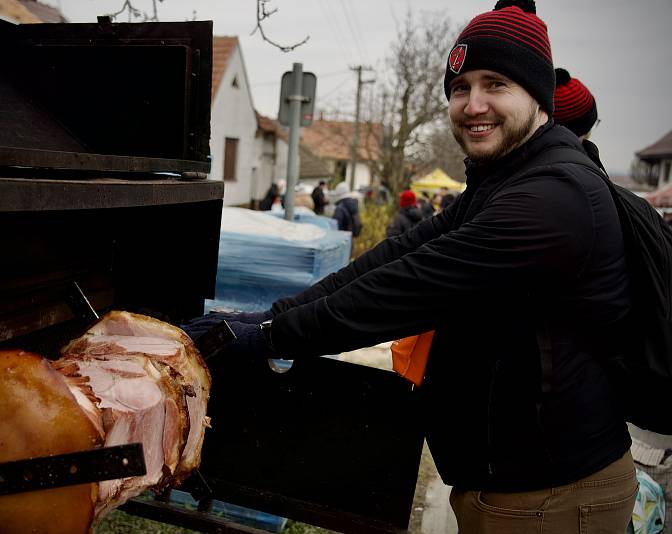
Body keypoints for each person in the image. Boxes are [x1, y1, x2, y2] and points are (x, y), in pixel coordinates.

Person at [185, 1, 637, 532]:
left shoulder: (552, 198)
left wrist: (268, 336)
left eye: (495, 84)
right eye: (461, 87)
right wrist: (267, 313)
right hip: (517, 484)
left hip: (549, 494)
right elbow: (393, 257)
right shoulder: (505, 180)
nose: (473, 104)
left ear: (538, 97)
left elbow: (405, 290)